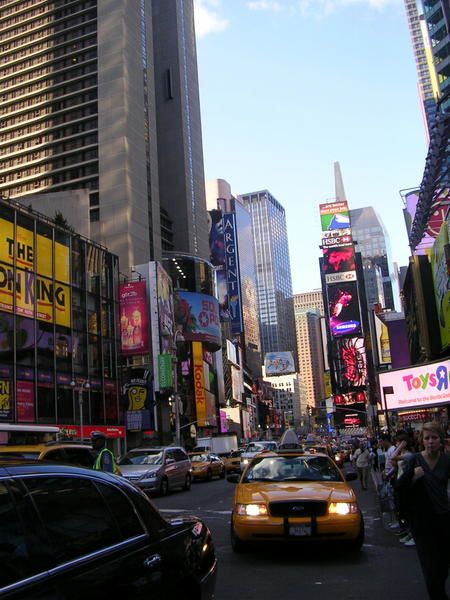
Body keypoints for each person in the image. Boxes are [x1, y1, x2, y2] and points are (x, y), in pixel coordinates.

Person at [396, 422, 450, 599]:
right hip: (422, 522)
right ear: (422, 441)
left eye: (434, 438)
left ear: (441, 441)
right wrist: (413, 477)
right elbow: (400, 488)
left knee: (442, 567)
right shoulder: (414, 460)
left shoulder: (446, 460)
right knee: (430, 568)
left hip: (444, 519)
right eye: (427, 438)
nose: (431, 442)